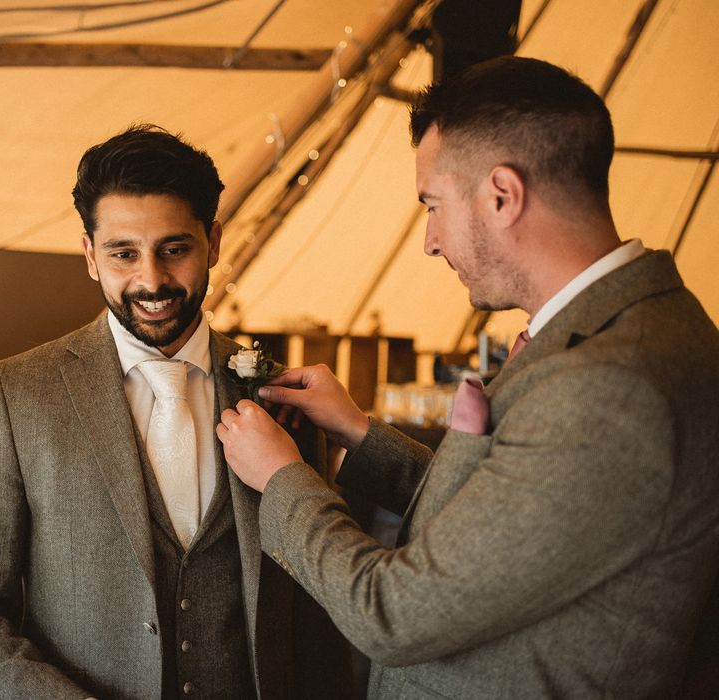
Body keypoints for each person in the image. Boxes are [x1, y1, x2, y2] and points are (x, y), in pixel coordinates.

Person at [216, 57, 719, 698]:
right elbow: (510, 528)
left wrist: (281, 478)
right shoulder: (626, 328)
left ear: (501, 196)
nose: (427, 240)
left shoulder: (612, 385)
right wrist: (361, 433)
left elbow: (393, 614)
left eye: (433, 205)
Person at [0, 125, 352, 699]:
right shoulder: (16, 395)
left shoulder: (279, 392)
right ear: (90, 255)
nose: (152, 280)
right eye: (123, 253)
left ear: (213, 241)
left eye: (174, 249)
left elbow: (317, 617)